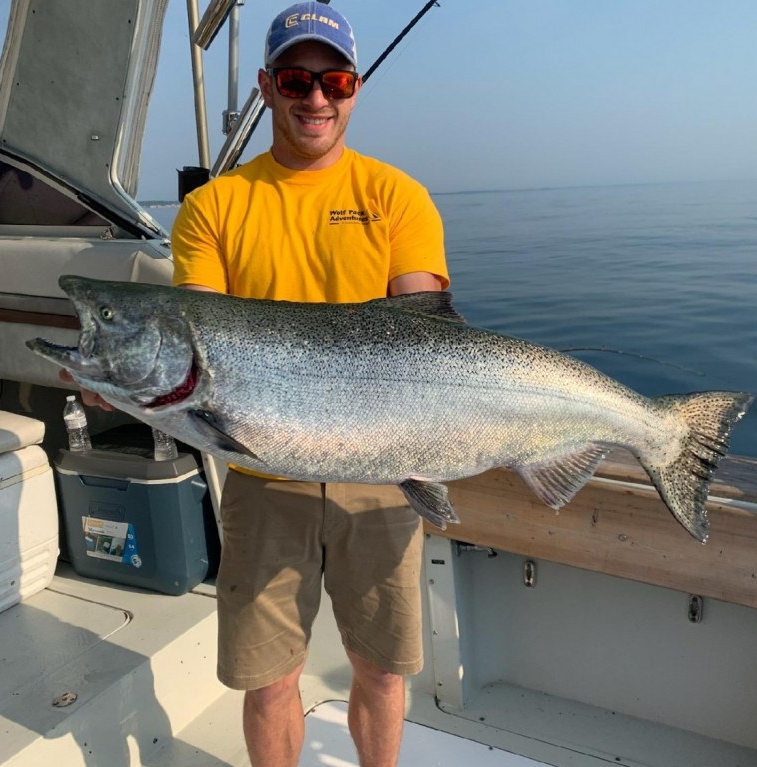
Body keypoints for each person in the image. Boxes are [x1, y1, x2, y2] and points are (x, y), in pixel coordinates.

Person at [184, 3, 448, 765]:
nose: (316, 99)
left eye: (332, 78)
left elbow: (423, 335)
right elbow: (196, 342)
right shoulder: (212, 207)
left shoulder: (398, 196)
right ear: (267, 86)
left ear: (354, 87)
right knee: (267, 679)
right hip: (264, 471)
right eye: (297, 79)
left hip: (383, 471)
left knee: (381, 666)